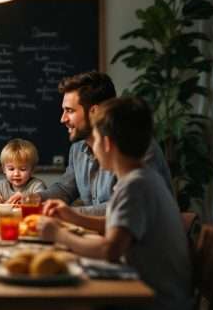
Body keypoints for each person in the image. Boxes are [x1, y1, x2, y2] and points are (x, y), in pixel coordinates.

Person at [40, 97, 192, 310]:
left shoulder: (135, 186)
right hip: (150, 292)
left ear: (107, 143)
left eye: (93, 139)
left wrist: (59, 235)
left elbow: (109, 249)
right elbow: (117, 228)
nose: (91, 147)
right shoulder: (141, 177)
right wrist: (72, 216)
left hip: (153, 301)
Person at [40, 71, 172, 215]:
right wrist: (35, 198)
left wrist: (70, 214)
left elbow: (125, 208)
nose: (62, 119)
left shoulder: (134, 148)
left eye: (70, 111)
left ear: (94, 112)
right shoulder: (77, 148)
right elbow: (66, 188)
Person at [0, 138, 46, 204]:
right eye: (11, 169)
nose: (16, 174)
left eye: (23, 169)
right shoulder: (0, 186)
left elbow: (42, 202)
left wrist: (26, 199)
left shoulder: (37, 185)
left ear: (32, 170)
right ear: (4, 169)